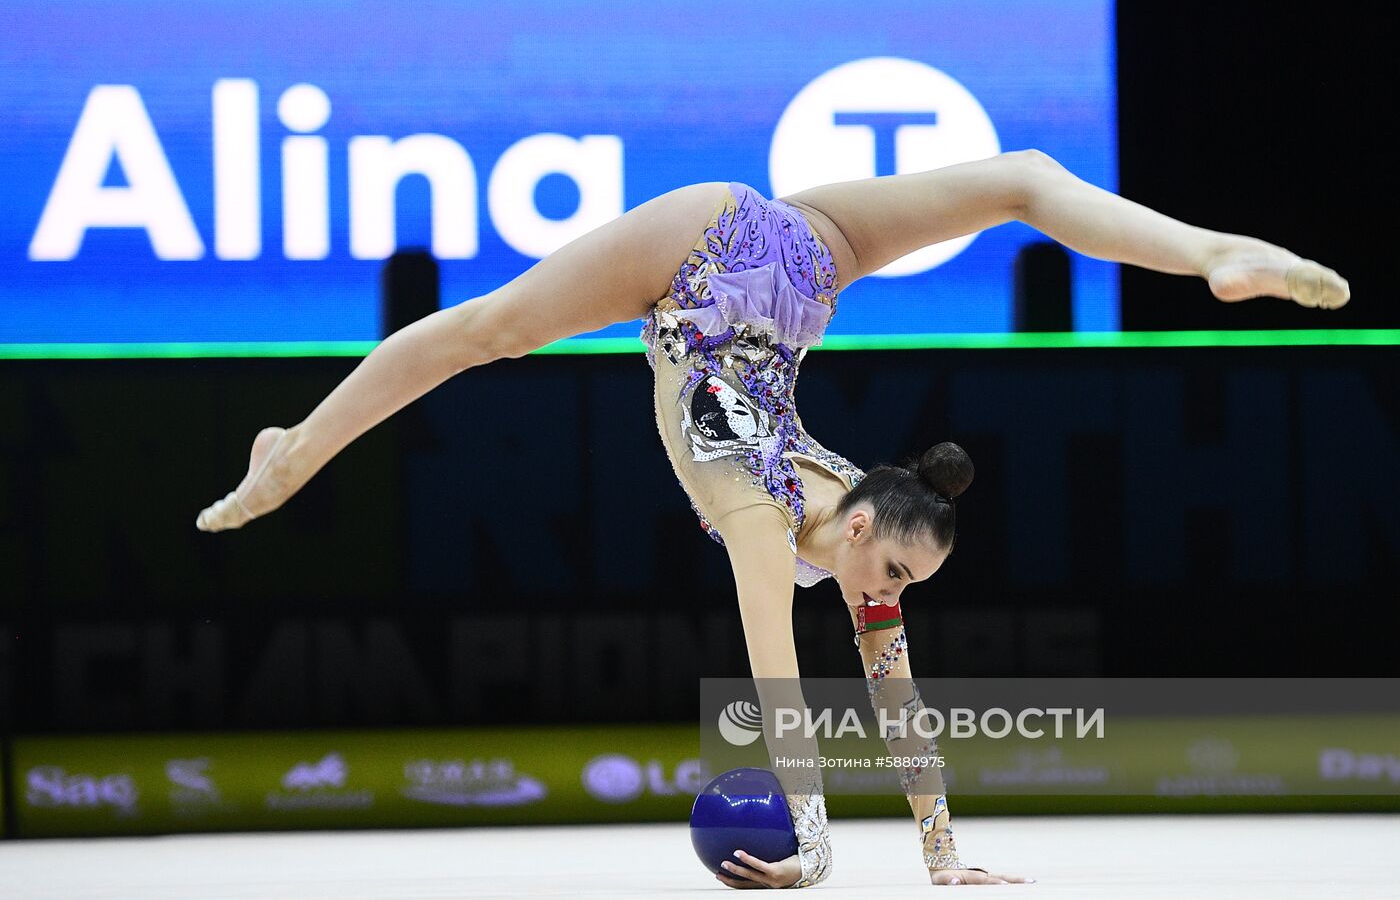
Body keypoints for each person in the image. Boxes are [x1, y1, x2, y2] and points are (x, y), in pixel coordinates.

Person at [195, 152, 1349, 887]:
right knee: (484, 330)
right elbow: (775, 685)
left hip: (800, 263)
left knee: (1020, 178)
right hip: (701, 255)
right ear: (856, 531)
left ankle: (1213, 254)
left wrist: (944, 862)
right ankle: (295, 449)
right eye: (888, 574)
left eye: (898, 587)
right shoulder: (763, 514)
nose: (883, 602)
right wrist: (812, 843)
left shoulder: (861, 533)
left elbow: (893, 698)